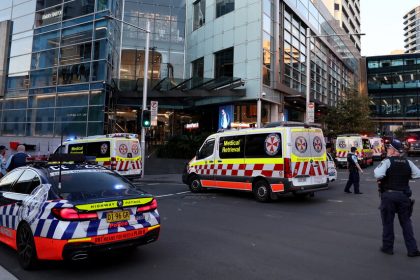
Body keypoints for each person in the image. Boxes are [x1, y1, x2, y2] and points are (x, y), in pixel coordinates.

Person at [374, 138, 420, 257]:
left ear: (394, 151)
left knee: (388, 223)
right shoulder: (408, 162)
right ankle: (412, 249)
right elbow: (417, 174)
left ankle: (388, 248)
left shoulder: (387, 161)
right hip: (404, 196)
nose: (387, 149)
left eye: (389, 148)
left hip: (389, 196)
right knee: (406, 223)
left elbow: (378, 174)